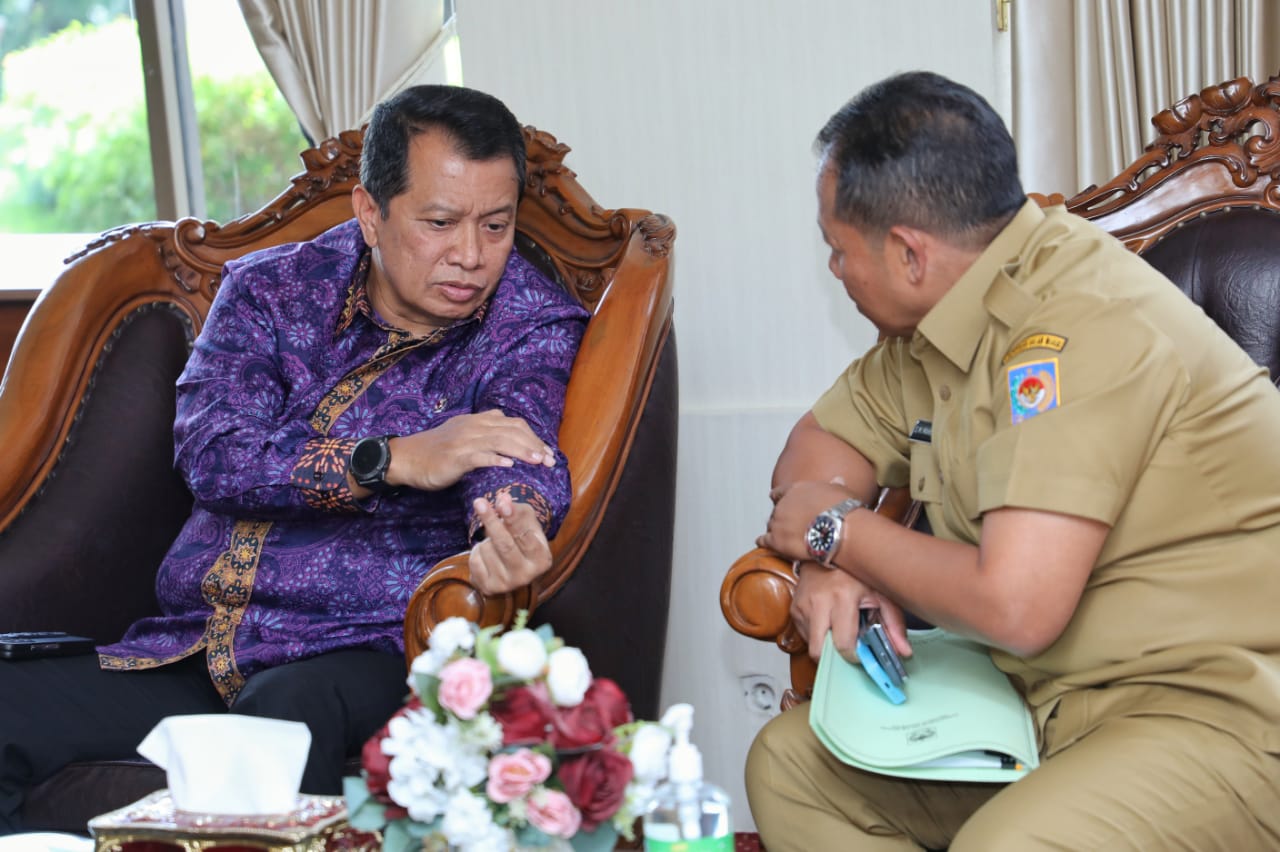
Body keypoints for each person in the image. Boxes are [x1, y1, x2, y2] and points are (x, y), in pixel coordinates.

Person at [0, 84, 589, 832]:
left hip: (360, 652)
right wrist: (392, 458)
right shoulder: (271, 291)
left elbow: (517, 451)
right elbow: (214, 453)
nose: (471, 256)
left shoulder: (527, 327)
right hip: (196, 645)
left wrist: (511, 523)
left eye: (496, 226)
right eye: (440, 223)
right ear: (370, 213)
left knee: (279, 720)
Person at [746, 70, 1280, 850]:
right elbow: (814, 452)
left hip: (1213, 710)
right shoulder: (940, 320)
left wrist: (839, 533)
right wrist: (835, 554)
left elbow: (1017, 607)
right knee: (791, 768)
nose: (835, 272)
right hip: (1042, 702)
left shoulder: (1078, 322)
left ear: (908, 253)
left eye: (838, 250)